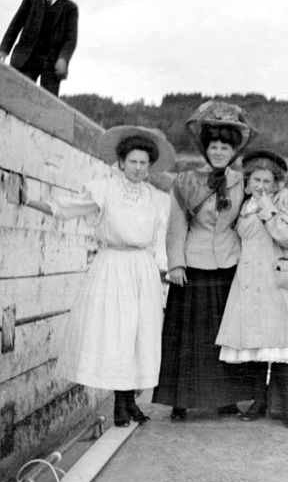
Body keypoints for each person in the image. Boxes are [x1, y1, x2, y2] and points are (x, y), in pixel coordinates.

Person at [18, 126, 175, 427]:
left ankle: (131, 402)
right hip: (113, 266)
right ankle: (120, 403)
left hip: (142, 269)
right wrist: (30, 201)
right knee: (117, 333)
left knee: (139, 334)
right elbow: (67, 208)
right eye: (133, 162)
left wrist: (164, 269)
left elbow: (161, 238)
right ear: (121, 162)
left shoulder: (158, 199)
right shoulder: (103, 190)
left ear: (150, 166)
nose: (138, 169)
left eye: (144, 163)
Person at [152, 101, 288, 420]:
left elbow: (265, 193)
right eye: (213, 146)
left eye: (224, 147)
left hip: (231, 266)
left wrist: (283, 194)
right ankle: (181, 400)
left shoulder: (241, 182)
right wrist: (175, 263)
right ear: (206, 149)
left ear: (232, 152)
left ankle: (227, 397)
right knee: (189, 339)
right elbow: (176, 225)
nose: (218, 152)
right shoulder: (186, 182)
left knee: (226, 337)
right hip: (194, 266)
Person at [215, 150, 288, 431]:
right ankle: (260, 402)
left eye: (266, 181)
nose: (260, 186)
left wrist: (269, 207)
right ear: (247, 182)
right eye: (256, 180)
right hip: (250, 284)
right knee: (257, 346)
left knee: (286, 346)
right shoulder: (243, 207)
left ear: (276, 184)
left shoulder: (284, 204)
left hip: (279, 283)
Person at [0, 0, 78, 96]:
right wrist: (4, 49)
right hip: (25, 58)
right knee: (16, 96)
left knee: (47, 103)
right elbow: (16, 24)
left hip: (51, 63)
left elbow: (71, 38)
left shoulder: (70, 8)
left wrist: (63, 58)